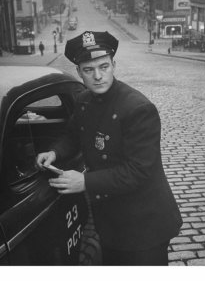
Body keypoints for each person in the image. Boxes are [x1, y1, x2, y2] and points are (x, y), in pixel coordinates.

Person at [37, 31, 182, 265]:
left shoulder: (138, 109)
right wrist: (55, 152)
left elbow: (138, 171)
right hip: (109, 220)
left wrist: (84, 182)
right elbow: (73, 136)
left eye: (104, 67)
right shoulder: (84, 101)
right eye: (88, 70)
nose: (98, 76)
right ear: (79, 72)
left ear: (114, 65)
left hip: (143, 225)